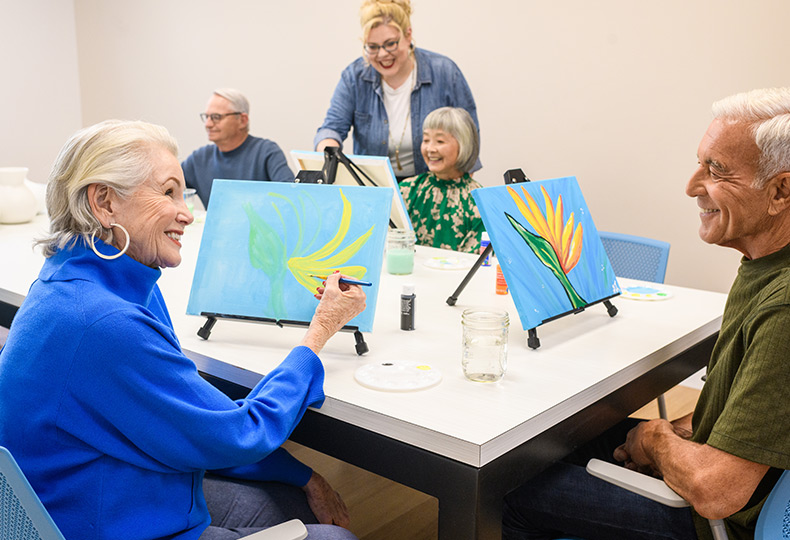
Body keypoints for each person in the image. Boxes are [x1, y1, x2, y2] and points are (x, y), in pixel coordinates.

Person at [0, 120, 364, 540]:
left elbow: (188, 421)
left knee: (291, 503)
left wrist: (302, 475)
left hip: (117, 489)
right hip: (106, 523)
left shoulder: (82, 280)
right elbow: (239, 433)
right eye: (168, 192)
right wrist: (319, 332)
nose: (187, 213)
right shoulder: (102, 322)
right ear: (104, 202)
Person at [502, 87, 790, 540]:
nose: (692, 186)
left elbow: (717, 491)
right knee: (554, 449)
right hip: (737, 483)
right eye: (700, 163)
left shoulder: (783, 307)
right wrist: (676, 436)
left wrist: (657, 440)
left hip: (716, 524)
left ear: (780, 191)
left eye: (716, 170)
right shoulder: (764, 263)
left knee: (508, 491)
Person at [313, 0, 481, 182]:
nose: (382, 54)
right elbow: (331, 129)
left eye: (390, 43)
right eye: (373, 47)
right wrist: (328, 152)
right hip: (374, 186)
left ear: (408, 35)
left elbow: (469, 142)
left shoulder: (445, 72)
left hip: (434, 186)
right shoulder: (354, 77)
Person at [182, 88, 294, 206]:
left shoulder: (266, 152)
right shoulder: (199, 159)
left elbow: (290, 195)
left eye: (216, 117)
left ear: (242, 120)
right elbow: (169, 185)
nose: (208, 124)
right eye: (207, 117)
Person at [399, 106, 484, 253]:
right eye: (426, 140)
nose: (430, 149)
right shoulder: (407, 189)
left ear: (463, 145)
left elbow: (474, 260)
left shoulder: (479, 201)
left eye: (440, 141)